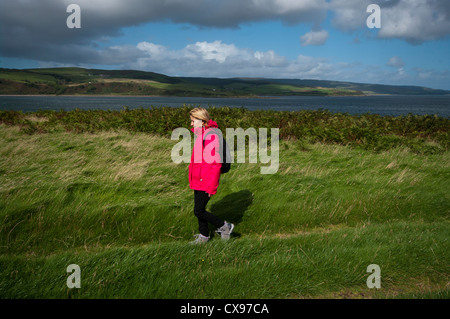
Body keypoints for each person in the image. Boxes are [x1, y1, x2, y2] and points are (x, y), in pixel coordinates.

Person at [188, 107, 234, 244]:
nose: (190, 124)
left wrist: (211, 187)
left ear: (202, 121)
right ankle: (204, 236)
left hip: (205, 180)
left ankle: (225, 226)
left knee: (198, 211)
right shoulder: (203, 134)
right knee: (199, 209)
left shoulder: (210, 136)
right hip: (198, 178)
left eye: (192, 121)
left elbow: (215, 165)